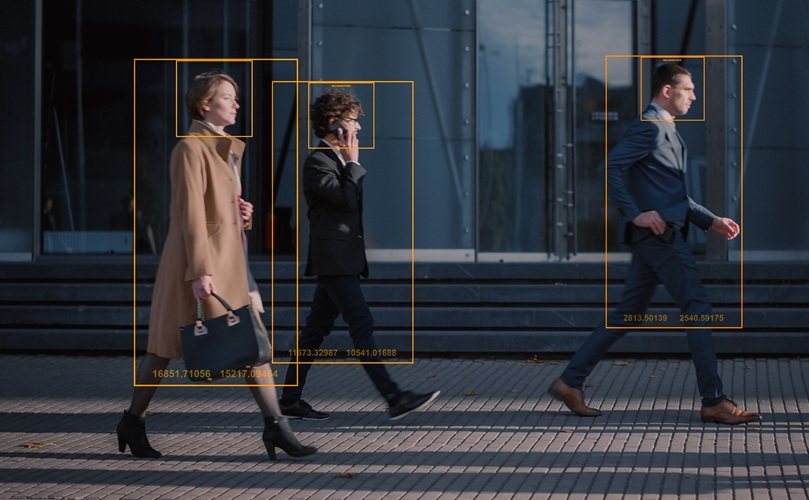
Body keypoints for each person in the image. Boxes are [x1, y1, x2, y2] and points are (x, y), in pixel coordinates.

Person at [117, 71, 316, 460]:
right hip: (198, 264)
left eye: (235, 97)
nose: (236, 104)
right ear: (204, 104)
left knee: (253, 343)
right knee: (163, 348)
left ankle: (276, 426)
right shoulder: (190, 149)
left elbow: (218, 210)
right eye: (228, 97)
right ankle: (133, 420)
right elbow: (190, 214)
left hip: (229, 262)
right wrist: (200, 271)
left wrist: (244, 215)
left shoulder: (227, 149)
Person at [548, 63, 761, 426]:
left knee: (627, 313)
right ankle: (714, 401)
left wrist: (711, 220)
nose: (694, 96)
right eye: (688, 89)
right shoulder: (649, 127)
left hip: (657, 236)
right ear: (667, 90)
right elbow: (608, 168)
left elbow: (672, 193)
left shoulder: (666, 129)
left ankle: (570, 382)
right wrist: (636, 214)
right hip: (661, 237)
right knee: (697, 308)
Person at [279, 88, 439, 420]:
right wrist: (353, 162)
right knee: (361, 323)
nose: (359, 127)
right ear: (334, 124)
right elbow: (345, 200)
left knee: (314, 332)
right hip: (334, 261)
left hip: (341, 258)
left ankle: (290, 399)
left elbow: (346, 208)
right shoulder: (317, 162)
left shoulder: (334, 161)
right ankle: (393, 396)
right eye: (353, 120)